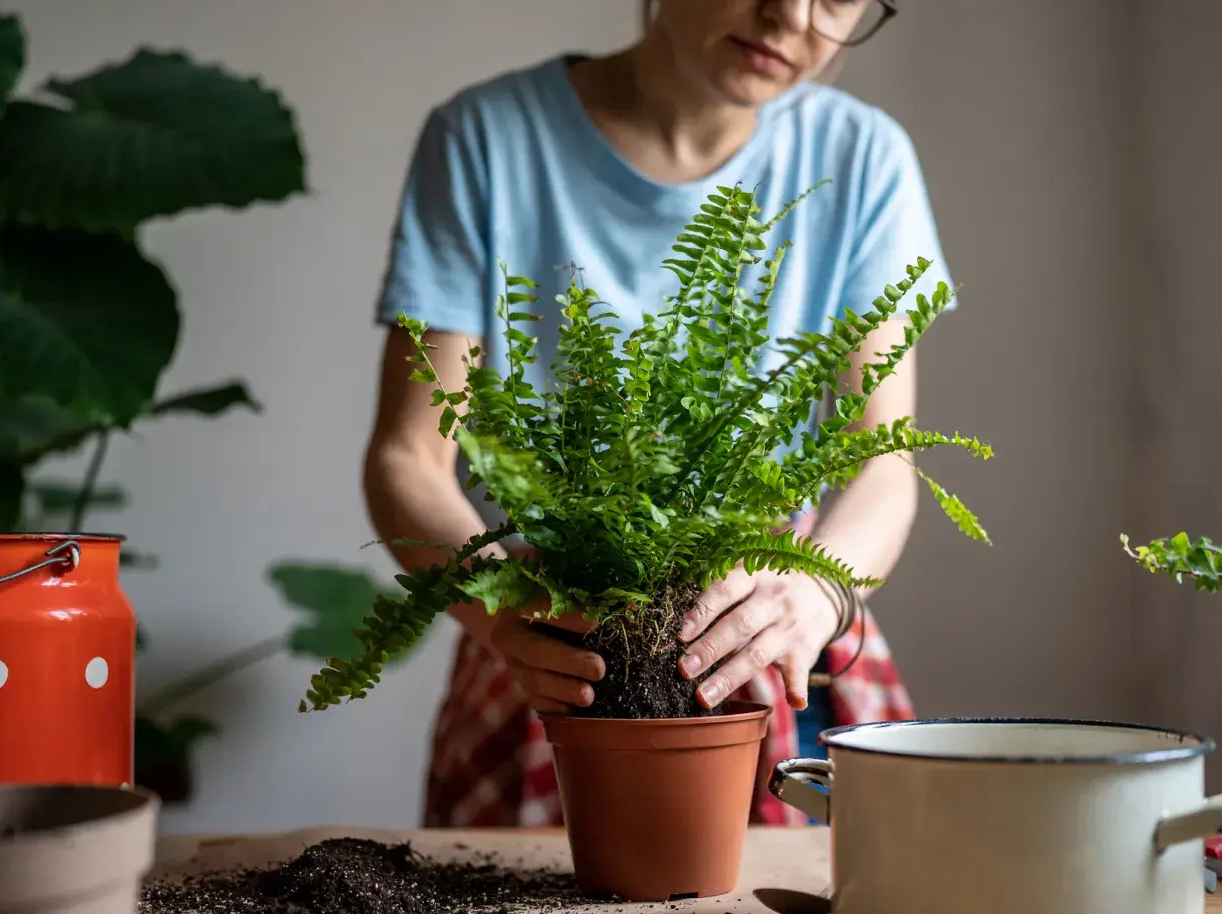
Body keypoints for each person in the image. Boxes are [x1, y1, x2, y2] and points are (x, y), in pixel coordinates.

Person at [365, 0, 953, 828]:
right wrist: (505, 616)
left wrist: (819, 591)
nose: (790, 14)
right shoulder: (488, 140)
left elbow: (883, 461)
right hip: (551, 636)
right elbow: (407, 457)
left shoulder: (862, 159)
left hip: (775, 630)